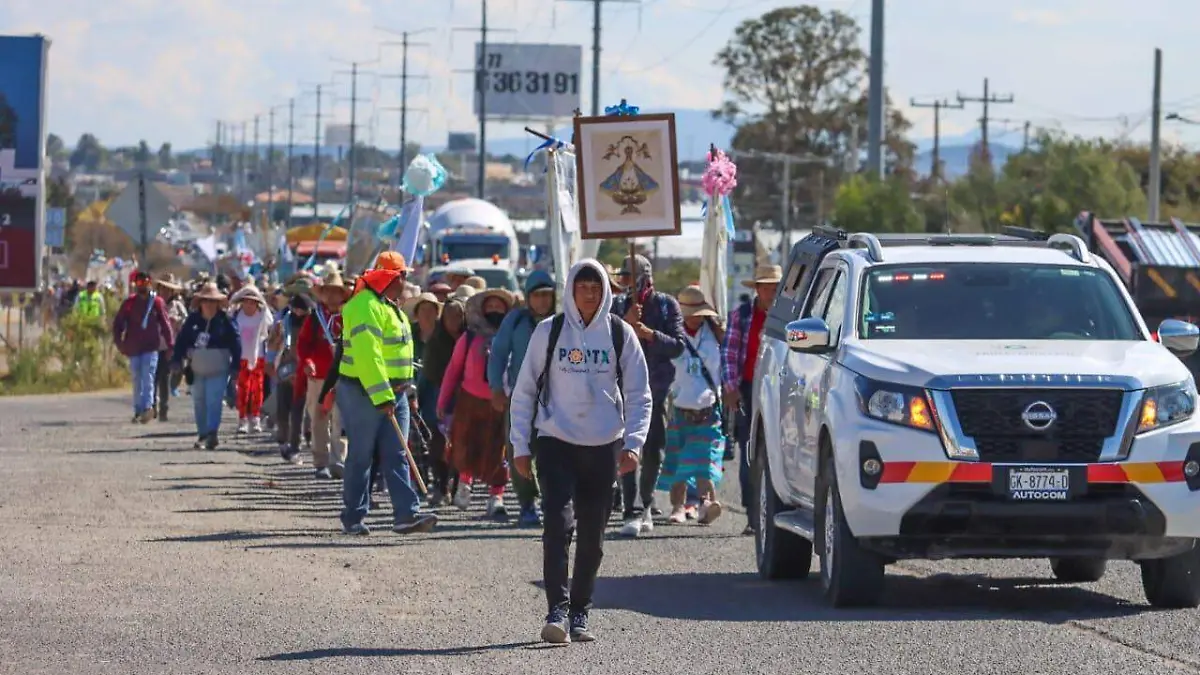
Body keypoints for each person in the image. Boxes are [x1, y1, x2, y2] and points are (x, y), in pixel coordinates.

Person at [508, 259, 652, 644]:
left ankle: (580, 613)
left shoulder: (620, 334)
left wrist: (634, 443)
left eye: (596, 285)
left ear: (605, 290)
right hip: (555, 442)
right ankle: (557, 609)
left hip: (604, 446)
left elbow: (640, 395)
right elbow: (523, 391)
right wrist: (520, 445)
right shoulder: (548, 332)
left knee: (593, 534)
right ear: (570, 289)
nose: (589, 291)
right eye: (582, 285)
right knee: (557, 525)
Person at [338, 265, 438, 536]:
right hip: (363, 392)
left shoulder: (389, 305)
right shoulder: (363, 306)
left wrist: (407, 391)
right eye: (401, 276)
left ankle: (407, 514)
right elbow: (368, 355)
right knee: (361, 455)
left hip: (397, 392)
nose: (405, 281)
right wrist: (383, 396)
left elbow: (398, 354)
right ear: (388, 278)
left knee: (397, 453)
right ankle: (353, 516)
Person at [610, 254, 685, 537]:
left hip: (657, 389)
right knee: (626, 446)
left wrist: (650, 334)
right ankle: (630, 508)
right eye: (622, 278)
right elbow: (604, 340)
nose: (624, 283)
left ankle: (646, 504)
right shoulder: (616, 305)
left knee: (654, 450)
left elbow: (679, 346)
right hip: (622, 388)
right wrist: (624, 324)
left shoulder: (667, 305)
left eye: (629, 277)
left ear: (643, 277)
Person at [437, 288, 517, 517]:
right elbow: (453, 371)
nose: (494, 311)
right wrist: (442, 402)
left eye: (498, 307)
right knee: (464, 445)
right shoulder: (469, 337)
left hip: (500, 402)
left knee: (498, 450)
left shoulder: (512, 336)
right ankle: (464, 485)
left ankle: (496, 497)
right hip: (469, 402)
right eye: (490, 307)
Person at [487, 269, 555, 527]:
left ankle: (553, 501)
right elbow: (498, 354)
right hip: (521, 398)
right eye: (537, 295)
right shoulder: (515, 321)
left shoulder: (563, 321)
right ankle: (527, 504)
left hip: (558, 399)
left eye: (547, 295)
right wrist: (496, 388)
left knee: (554, 453)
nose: (543, 301)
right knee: (519, 449)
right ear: (528, 297)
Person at [722, 263, 782, 535]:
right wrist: (731, 388)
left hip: (781, 390)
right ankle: (752, 514)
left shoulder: (788, 317)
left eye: (775, 287)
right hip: (749, 389)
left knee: (778, 451)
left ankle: (776, 513)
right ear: (757, 289)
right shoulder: (741, 316)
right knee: (749, 451)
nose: (771, 292)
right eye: (767, 287)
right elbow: (730, 353)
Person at [659, 286, 726, 525]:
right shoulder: (673, 336)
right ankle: (678, 506)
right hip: (680, 407)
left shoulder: (714, 336)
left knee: (706, 462)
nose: (695, 318)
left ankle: (707, 504)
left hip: (708, 409)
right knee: (679, 463)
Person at [172, 283, 240, 450]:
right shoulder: (192, 320)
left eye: (212, 301)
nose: (209, 304)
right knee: (199, 401)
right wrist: (176, 359)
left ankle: (212, 433)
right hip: (197, 369)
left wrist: (236, 366)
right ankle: (202, 434)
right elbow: (181, 340)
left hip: (219, 369)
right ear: (200, 302)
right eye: (206, 301)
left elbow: (236, 343)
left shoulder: (225, 321)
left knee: (214, 400)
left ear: (218, 303)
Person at [416, 293, 468, 505]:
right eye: (449, 317)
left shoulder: (471, 340)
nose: (453, 322)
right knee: (438, 444)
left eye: (457, 317)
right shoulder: (436, 342)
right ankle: (441, 485)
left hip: (466, 399)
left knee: (461, 446)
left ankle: (457, 486)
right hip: (439, 399)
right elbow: (429, 374)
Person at [298, 270, 350, 479]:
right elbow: (303, 345)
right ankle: (321, 462)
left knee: (341, 418)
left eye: (335, 291)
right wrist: (307, 362)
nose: (330, 296)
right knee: (318, 417)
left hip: (343, 374)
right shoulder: (315, 318)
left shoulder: (349, 315)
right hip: (318, 375)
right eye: (327, 291)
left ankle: (338, 460)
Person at [112, 271, 174, 423]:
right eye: (138, 283)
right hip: (133, 347)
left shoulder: (157, 302)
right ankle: (138, 409)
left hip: (151, 347)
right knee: (136, 378)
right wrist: (120, 343)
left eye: (144, 282)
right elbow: (118, 324)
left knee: (148, 376)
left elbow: (166, 324)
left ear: (149, 283)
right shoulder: (129, 303)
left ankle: (147, 408)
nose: (142, 285)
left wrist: (170, 345)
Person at [268, 294, 310, 464]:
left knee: (298, 413)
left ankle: (295, 447)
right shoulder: (283, 323)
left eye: (302, 309)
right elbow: (271, 346)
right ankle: (284, 441)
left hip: (304, 372)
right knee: (283, 412)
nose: (298, 312)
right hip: (285, 372)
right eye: (296, 308)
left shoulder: (312, 323)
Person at [229, 284, 275, 434]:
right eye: (246, 301)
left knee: (257, 389)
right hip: (241, 358)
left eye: (252, 301)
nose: (249, 305)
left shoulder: (262, 316)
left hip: (258, 357)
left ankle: (255, 418)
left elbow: (270, 328)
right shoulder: (236, 315)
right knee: (243, 390)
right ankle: (242, 419)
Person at [154, 274, 188, 421]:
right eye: (163, 289)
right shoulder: (153, 304)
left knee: (164, 378)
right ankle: (152, 406)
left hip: (169, 346)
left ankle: (164, 408)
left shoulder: (177, 306)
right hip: (154, 345)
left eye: (169, 289)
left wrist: (177, 322)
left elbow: (186, 323)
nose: (165, 292)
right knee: (152, 378)